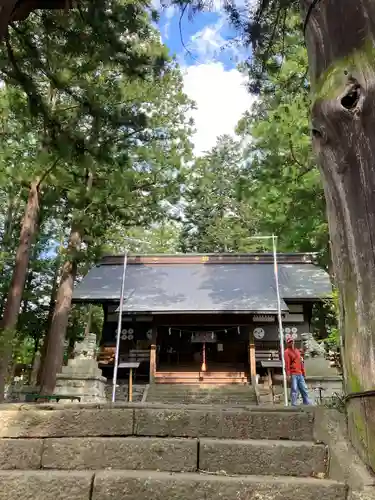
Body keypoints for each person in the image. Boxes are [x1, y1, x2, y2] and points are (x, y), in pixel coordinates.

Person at [284, 334, 311, 406]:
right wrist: (288, 374)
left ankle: (306, 401)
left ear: (294, 342)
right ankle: (294, 403)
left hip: (300, 373)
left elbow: (301, 362)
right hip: (293, 373)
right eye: (289, 342)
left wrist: (303, 373)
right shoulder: (286, 352)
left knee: (304, 388)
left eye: (292, 341)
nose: (291, 343)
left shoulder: (297, 351)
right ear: (287, 343)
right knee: (294, 389)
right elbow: (287, 364)